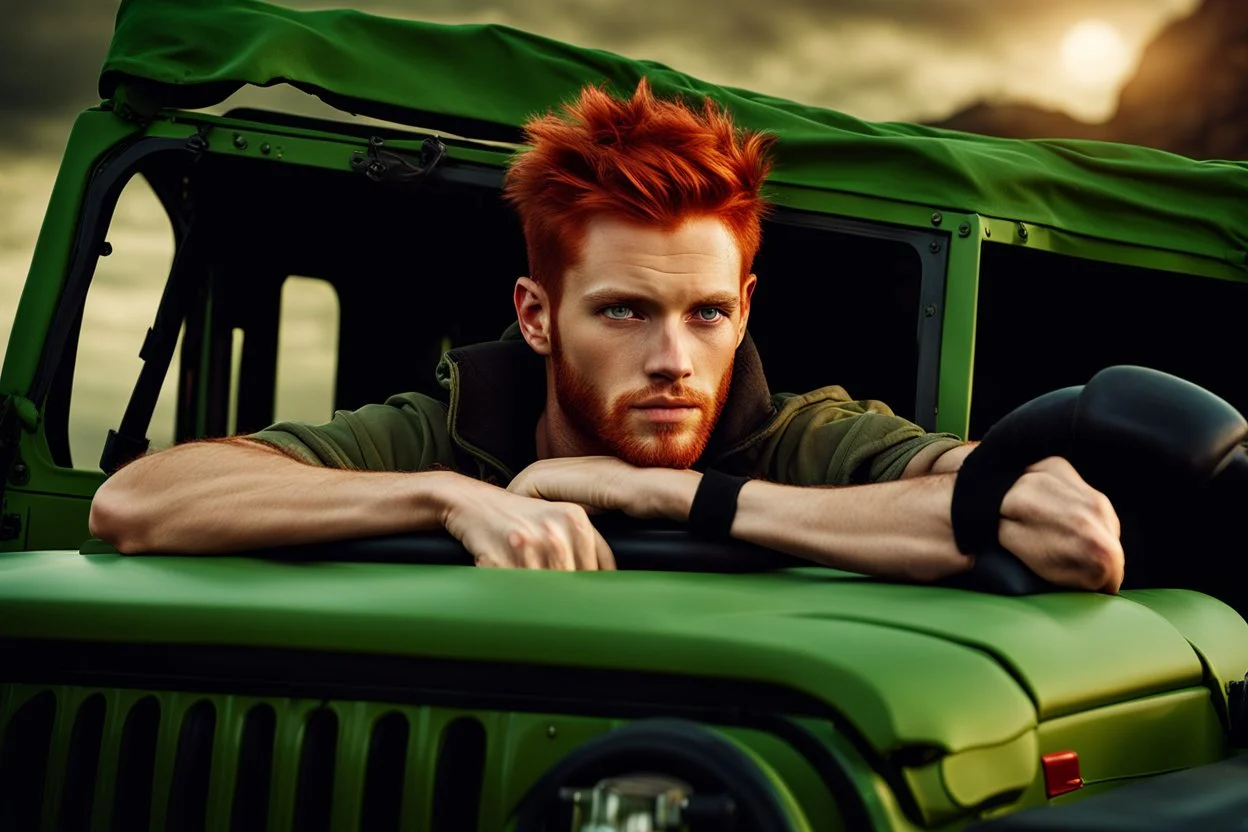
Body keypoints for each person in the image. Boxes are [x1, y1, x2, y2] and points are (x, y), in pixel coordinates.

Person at [89, 79, 1123, 591]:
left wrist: (678, 494)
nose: (674, 359)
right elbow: (134, 501)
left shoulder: (806, 438)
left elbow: (1065, 531)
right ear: (538, 316)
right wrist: (450, 495)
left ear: (744, 312)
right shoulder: (450, 428)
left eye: (706, 314)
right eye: (625, 310)